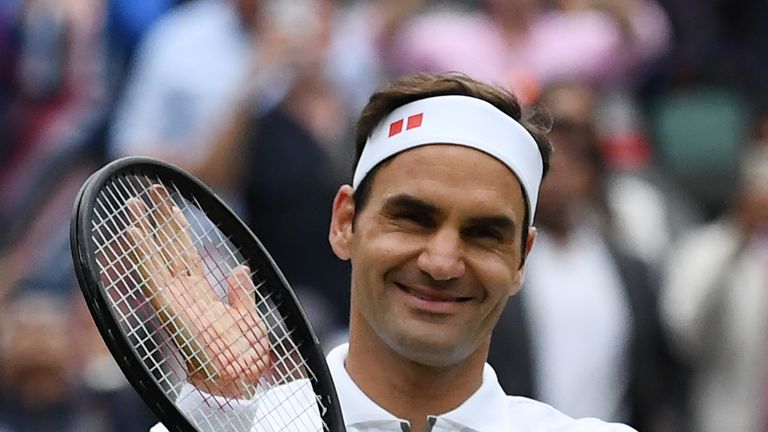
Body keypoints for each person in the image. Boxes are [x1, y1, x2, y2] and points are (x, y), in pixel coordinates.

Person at [142, 73, 637, 431]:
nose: (442, 263)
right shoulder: (226, 424)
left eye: (484, 233)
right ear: (345, 223)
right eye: (413, 219)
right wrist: (217, 409)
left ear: (521, 260)